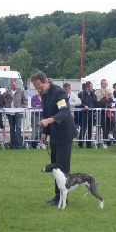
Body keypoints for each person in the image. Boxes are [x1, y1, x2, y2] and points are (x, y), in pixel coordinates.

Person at [31, 71, 77, 206]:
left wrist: (50, 120)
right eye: (37, 89)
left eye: (40, 87)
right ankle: (57, 195)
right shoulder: (45, 94)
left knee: (62, 166)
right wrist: (45, 132)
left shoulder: (59, 93)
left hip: (65, 133)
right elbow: (46, 113)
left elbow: (64, 112)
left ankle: (64, 198)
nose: (39, 91)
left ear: (46, 82)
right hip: (54, 133)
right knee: (55, 166)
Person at [5, 78, 28, 149]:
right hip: (10, 113)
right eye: (11, 85)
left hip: (18, 112)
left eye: (14, 85)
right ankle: (13, 144)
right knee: (11, 129)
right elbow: (4, 99)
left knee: (18, 128)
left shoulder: (21, 91)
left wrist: (21, 107)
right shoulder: (8, 92)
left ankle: (18, 144)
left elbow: (25, 101)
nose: (12, 86)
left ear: (16, 84)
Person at [78, 81, 98, 148]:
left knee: (90, 128)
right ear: (87, 87)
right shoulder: (81, 94)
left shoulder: (93, 95)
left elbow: (95, 103)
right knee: (83, 128)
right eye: (91, 86)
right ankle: (81, 143)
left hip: (91, 114)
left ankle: (89, 143)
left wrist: (95, 110)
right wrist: (84, 106)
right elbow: (78, 103)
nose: (92, 88)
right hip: (84, 113)